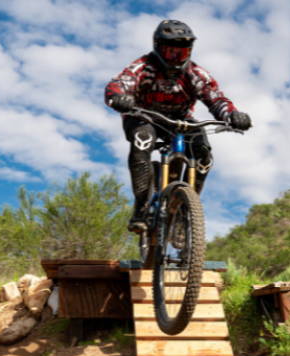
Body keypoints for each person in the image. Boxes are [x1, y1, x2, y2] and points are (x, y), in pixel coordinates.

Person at [105, 19, 253, 233]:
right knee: (142, 141)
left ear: (190, 52)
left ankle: (185, 210)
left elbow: (216, 98)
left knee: (204, 155)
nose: (175, 58)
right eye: (170, 52)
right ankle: (142, 206)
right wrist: (118, 97)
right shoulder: (143, 66)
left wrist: (233, 114)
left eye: (181, 53)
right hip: (143, 115)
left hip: (180, 120)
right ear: (157, 47)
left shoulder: (196, 74)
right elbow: (118, 84)